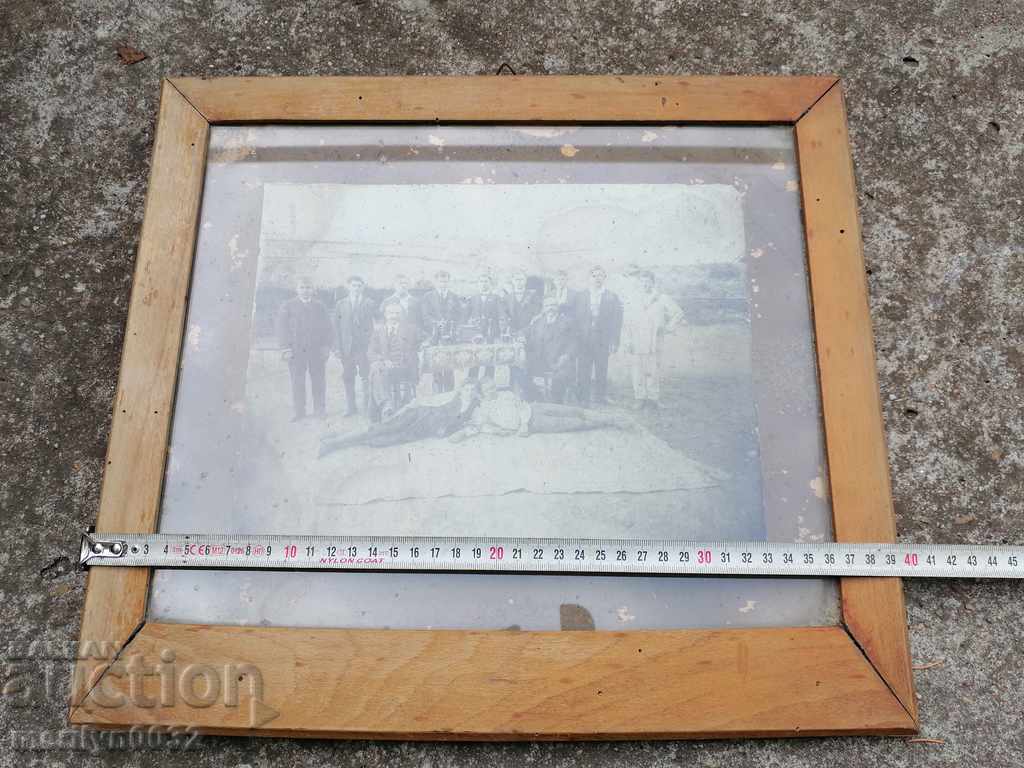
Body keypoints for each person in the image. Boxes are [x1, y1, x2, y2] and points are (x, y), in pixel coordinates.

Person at [449, 378, 635, 442]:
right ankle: (610, 422)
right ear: (481, 394)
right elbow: (481, 427)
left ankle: (612, 417)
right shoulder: (483, 410)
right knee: (575, 423)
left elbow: (521, 405)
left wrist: (521, 424)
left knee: (573, 410)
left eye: (493, 387)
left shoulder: (505, 394)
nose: (493, 391)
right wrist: (499, 431)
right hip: (535, 423)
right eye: (488, 390)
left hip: (534, 408)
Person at [318, 384, 479, 457]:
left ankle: (336, 437)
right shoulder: (453, 399)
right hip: (418, 415)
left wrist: (463, 428)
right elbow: (428, 400)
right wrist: (407, 408)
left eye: (473, 389)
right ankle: (333, 443)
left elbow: (451, 429)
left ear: (475, 392)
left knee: (381, 440)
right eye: (467, 388)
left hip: (421, 430)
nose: (469, 392)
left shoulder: (470, 409)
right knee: (379, 430)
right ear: (461, 389)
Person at [623, 270, 684, 410]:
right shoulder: (633, 298)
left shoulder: (662, 298)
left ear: (653, 282)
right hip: (637, 338)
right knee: (637, 369)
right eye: (642, 282)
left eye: (648, 281)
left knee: (653, 370)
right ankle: (639, 398)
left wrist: (668, 327)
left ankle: (653, 398)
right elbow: (627, 321)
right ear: (639, 283)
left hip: (654, 339)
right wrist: (628, 340)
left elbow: (678, 313)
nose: (645, 284)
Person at [276, 277, 333, 421]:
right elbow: (282, 328)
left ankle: (320, 409)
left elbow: (328, 328)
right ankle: (299, 411)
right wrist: (285, 349)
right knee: (297, 382)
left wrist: (326, 347)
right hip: (296, 351)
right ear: (297, 289)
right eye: (302, 287)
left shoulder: (320, 306)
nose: (305, 290)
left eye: (308, 287)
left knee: (319, 381)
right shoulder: (288, 305)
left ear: (313, 290)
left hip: (316, 350)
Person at [574, 265, 623, 405]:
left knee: (602, 368)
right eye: (594, 275)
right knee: (584, 369)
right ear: (589, 278)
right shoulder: (581, 295)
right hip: (584, 340)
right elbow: (576, 320)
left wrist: (614, 341)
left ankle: (600, 397)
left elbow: (617, 321)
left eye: (600, 275)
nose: (597, 278)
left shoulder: (611, 297)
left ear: (604, 278)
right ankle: (584, 398)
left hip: (602, 340)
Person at [367, 303, 421, 421]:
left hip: (404, 368)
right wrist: (384, 360)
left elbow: (421, 343)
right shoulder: (379, 330)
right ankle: (387, 404)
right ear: (385, 315)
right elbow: (371, 352)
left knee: (375, 371)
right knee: (376, 367)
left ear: (401, 315)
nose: (394, 316)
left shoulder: (411, 329)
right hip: (385, 367)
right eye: (391, 313)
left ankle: (385, 405)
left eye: (397, 313)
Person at [333, 276, 377, 416]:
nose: (356, 288)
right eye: (354, 285)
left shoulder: (370, 303)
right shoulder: (341, 304)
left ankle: (367, 406)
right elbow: (337, 328)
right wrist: (338, 348)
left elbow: (375, 326)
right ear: (348, 287)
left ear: (363, 287)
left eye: (359, 285)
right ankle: (351, 407)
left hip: (364, 348)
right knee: (348, 377)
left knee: (366, 376)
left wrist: (372, 347)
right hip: (347, 348)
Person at [525, 295, 577, 403]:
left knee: (559, 380)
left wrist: (566, 356)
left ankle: (556, 403)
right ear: (543, 309)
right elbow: (526, 332)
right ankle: (536, 399)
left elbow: (574, 342)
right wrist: (520, 337)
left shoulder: (567, 322)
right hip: (541, 361)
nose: (550, 308)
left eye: (553, 305)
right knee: (522, 371)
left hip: (560, 361)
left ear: (557, 307)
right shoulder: (538, 322)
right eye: (548, 305)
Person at [421, 269, 464, 392]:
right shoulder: (427, 297)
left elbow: (460, 316)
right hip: (435, 336)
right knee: (437, 366)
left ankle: (450, 393)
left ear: (448, 282)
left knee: (450, 366)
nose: (443, 284)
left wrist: (455, 328)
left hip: (450, 337)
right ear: (436, 282)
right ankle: (437, 393)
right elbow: (425, 316)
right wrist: (436, 324)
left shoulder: (454, 297)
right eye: (441, 281)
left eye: (445, 281)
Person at [466, 274, 507, 342]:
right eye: (481, 281)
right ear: (478, 283)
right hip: (476, 333)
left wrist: (503, 328)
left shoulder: (496, 298)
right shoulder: (472, 299)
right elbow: (466, 316)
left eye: (486, 281)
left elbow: (502, 314)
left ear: (490, 283)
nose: (483, 284)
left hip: (492, 332)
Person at [504, 270, 541, 335]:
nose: (519, 282)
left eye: (521, 279)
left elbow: (537, 314)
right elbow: (505, 315)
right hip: (512, 332)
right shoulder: (507, 298)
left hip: (530, 331)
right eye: (517, 280)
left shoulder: (533, 296)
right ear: (512, 281)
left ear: (525, 281)